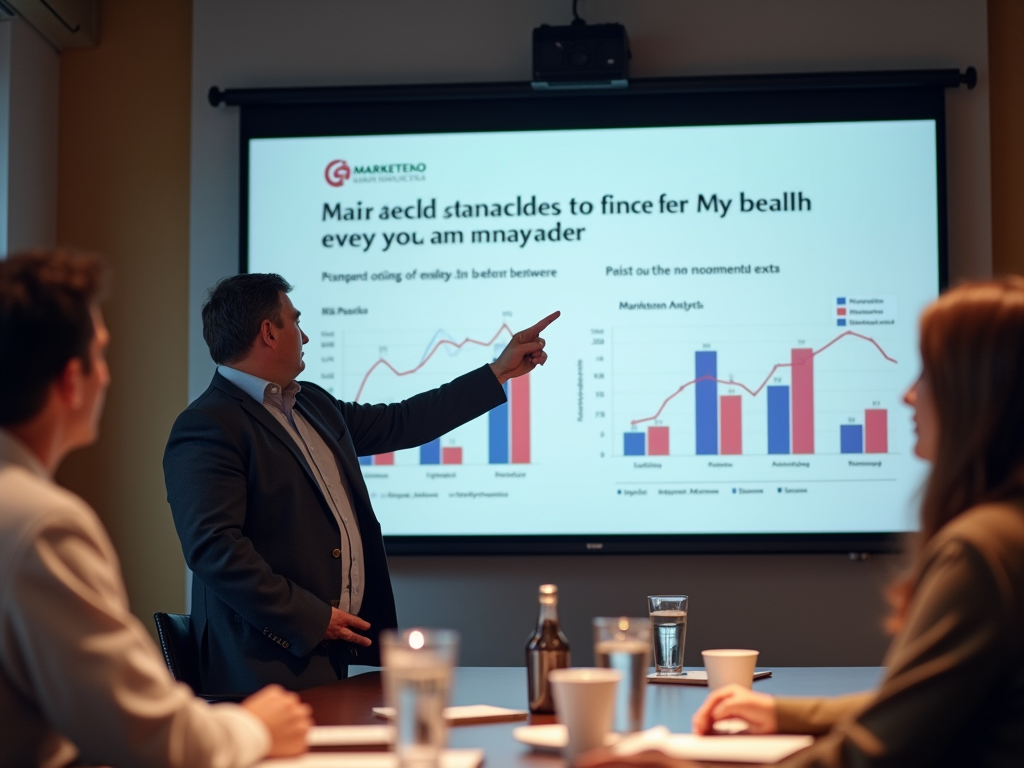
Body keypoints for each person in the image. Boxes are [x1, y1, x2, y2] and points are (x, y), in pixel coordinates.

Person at [585, 277, 1024, 768]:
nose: (906, 396)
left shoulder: (981, 551)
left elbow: (867, 757)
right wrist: (782, 712)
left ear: (977, 394)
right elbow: (923, 702)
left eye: (927, 375)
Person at [164, 272, 558, 693]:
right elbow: (214, 550)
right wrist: (313, 619)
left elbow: (400, 422)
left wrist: (497, 372)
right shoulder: (208, 425)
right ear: (269, 333)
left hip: (331, 656)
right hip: (261, 668)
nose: (306, 336)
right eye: (296, 321)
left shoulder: (311, 402)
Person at [0, 251, 313, 768]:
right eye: (101, 356)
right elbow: (142, 734)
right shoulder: (41, 525)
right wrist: (254, 727)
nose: (107, 377)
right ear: (70, 381)